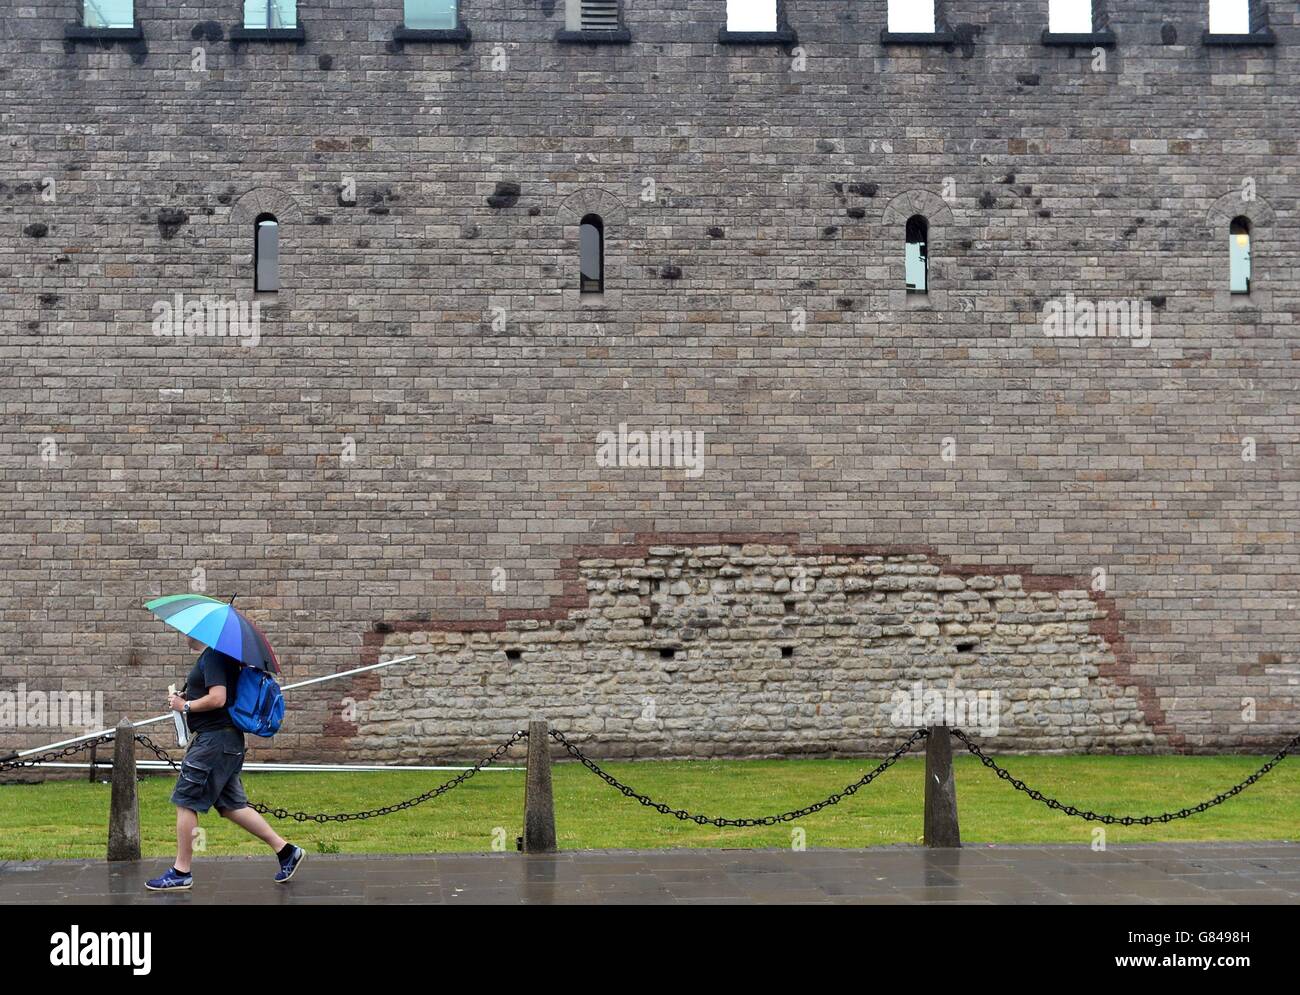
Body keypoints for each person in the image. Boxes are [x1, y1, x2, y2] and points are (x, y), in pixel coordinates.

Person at [146, 637, 304, 890]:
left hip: (213, 743)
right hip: (227, 741)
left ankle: (181, 871)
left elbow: (218, 698)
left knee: (186, 801)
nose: (185, 635)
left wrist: (184, 705)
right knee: (230, 805)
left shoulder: (214, 657)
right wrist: (191, 696)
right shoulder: (224, 658)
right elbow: (218, 697)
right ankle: (286, 851)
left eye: (188, 631)